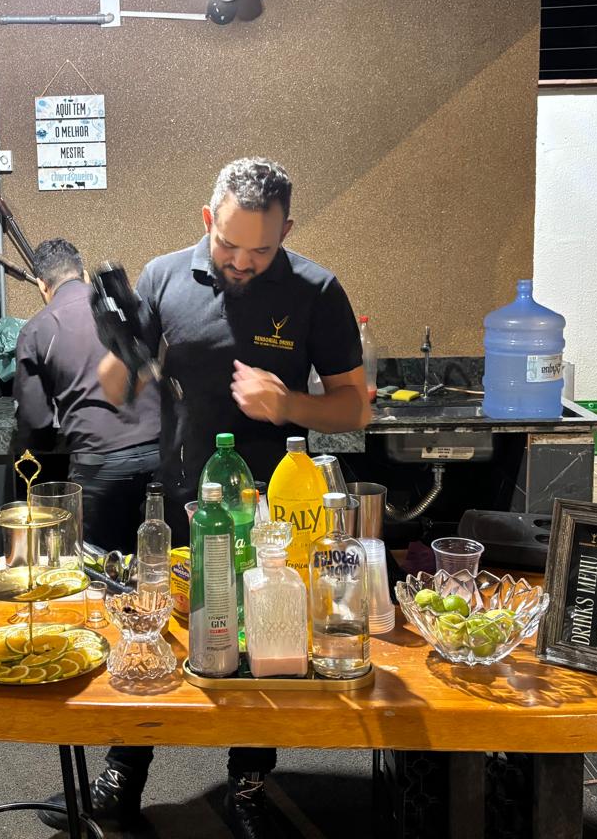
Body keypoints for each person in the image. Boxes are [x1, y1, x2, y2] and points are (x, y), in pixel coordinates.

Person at [44, 159, 371, 839]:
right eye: (229, 244)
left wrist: (289, 403)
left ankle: (248, 785)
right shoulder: (164, 276)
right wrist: (122, 349)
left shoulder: (315, 289)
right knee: (152, 629)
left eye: (261, 249)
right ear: (206, 220)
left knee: (261, 640)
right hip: (176, 500)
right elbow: (118, 387)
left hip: (273, 513)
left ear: (286, 231)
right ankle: (124, 770)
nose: (243, 261)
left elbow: (353, 408)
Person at [13, 238, 162, 552]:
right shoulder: (126, 307)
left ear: (42, 285)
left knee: (100, 569)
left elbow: (35, 424)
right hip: (161, 456)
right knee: (160, 562)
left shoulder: (36, 330)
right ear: (82, 274)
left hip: (99, 468)